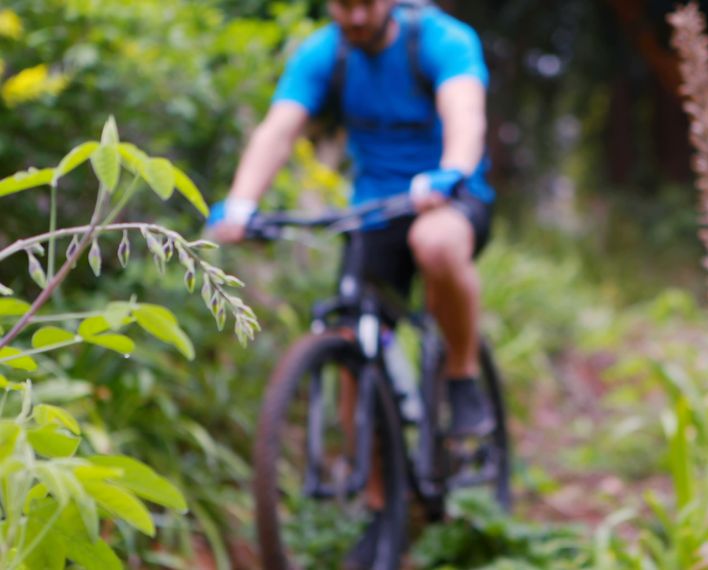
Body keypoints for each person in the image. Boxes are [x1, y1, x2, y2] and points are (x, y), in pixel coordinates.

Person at [208, 0, 494, 436]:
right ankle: (381, 498)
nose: (356, 17)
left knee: (434, 244)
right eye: (344, 5)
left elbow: (465, 112)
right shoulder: (324, 53)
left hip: (448, 197)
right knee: (352, 340)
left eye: (366, 3)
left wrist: (451, 171)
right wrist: (241, 203)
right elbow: (279, 130)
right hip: (373, 210)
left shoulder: (442, 39)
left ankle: (461, 377)